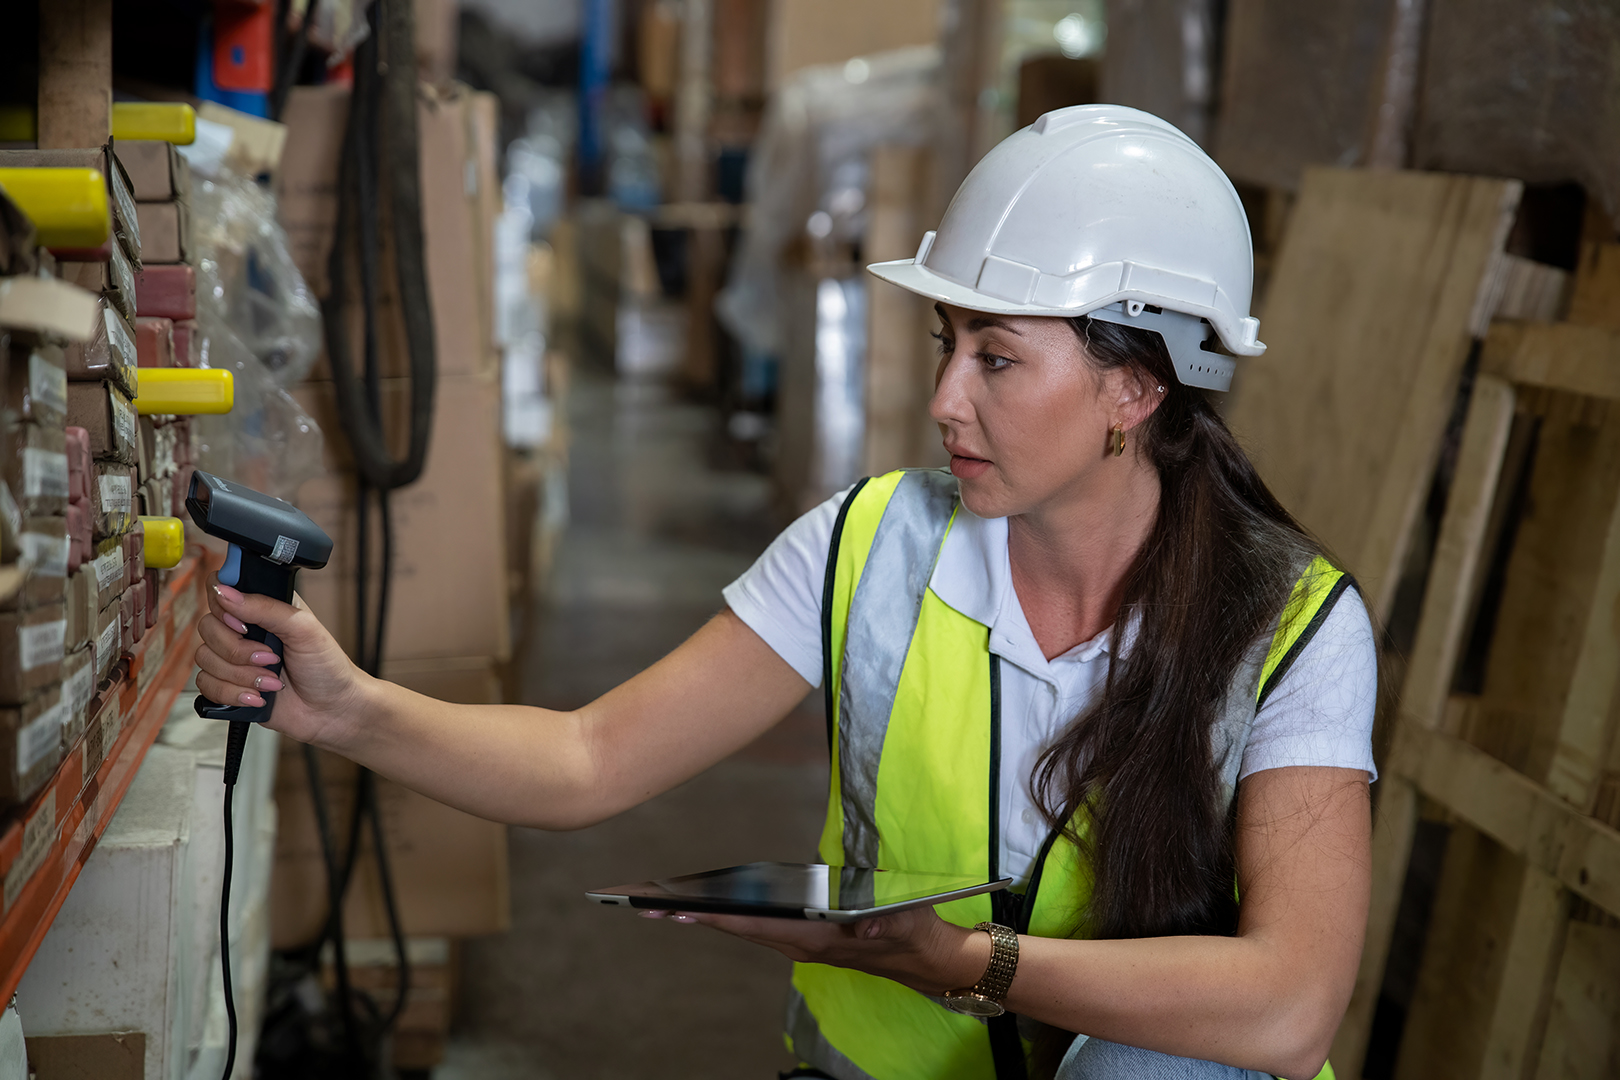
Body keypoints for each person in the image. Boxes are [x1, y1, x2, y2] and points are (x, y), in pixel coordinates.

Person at [195, 105, 1375, 1080]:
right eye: (946, 344)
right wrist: (347, 711)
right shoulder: (873, 544)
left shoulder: (1291, 625)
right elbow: (589, 758)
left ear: (1136, 389)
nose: (945, 400)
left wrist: (968, 963)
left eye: (998, 357)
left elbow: (1288, 1009)